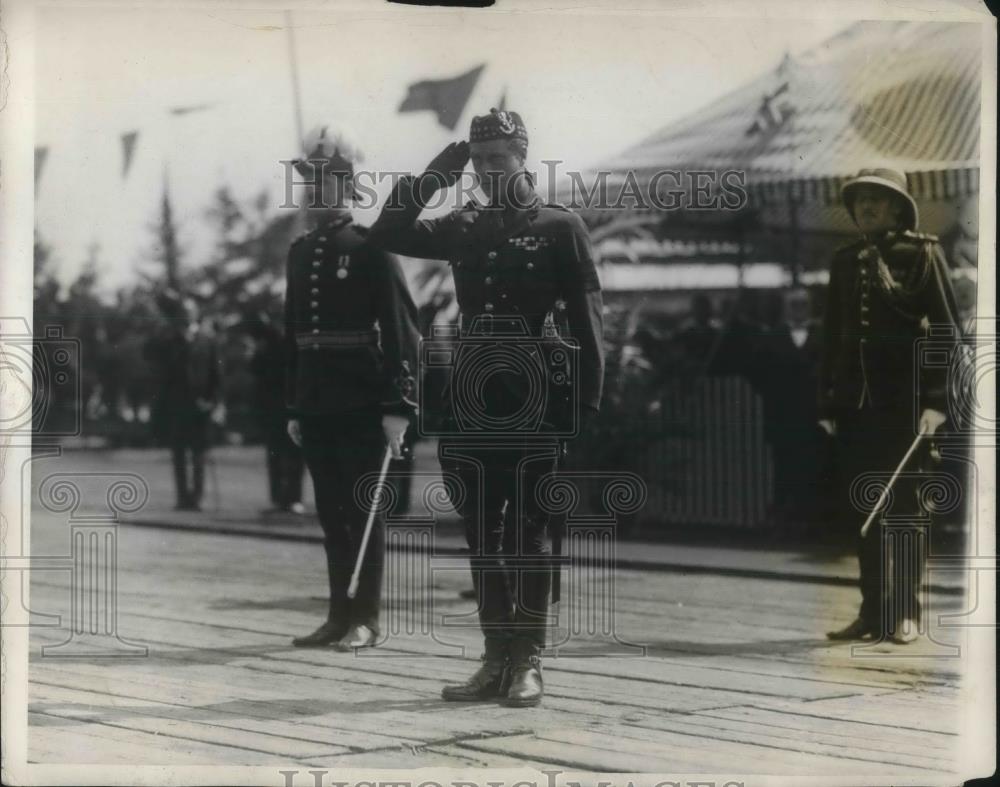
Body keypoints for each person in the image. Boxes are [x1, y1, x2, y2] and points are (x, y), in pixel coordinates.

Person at [369, 108, 605, 707]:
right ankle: (492, 658)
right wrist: (434, 176)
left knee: (528, 531)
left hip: (534, 396)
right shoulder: (464, 224)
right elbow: (387, 233)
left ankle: (528, 660)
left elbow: (587, 320)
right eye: (478, 159)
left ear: (524, 156)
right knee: (481, 531)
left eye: (499, 157)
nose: (488, 169)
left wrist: (585, 402)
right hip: (472, 396)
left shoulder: (559, 226)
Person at [284, 124, 420, 650]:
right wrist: (294, 404)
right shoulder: (299, 252)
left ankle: (366, 617)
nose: (316, 190)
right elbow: (293, 333)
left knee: (365, 510)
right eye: (310, 180)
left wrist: (398, 406)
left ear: (350, 186)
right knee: (330, 511)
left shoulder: (372, 247)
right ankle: (338, 614)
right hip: (317, 401)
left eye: (328, 179)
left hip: (363, 401)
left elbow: (402, 328)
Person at [819, 168, 963, 644]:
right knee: (867, 513)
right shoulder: (845, 261)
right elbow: (832, 336)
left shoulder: (923, 254)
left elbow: (946, 332)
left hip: (909, 410)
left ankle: (905, 614)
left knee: (906, 513)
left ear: (899, 208)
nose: (867, 208)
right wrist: (830, 400)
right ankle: (873, 613)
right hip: (857, 409)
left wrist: (938, 402)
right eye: (860, 201)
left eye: (878, 200)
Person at [146, 292, 222, 512]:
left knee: (199, 454)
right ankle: (182, 498)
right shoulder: (169, 341)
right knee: (178, 453)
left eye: (189, 313)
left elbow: (217, 375)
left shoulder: (208, 340)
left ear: (196, 315)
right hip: (178, 406)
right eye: (182, 313)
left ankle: (196, 498)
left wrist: (213, 402)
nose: (186, 317)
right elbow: (160, 371)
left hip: (201, 406)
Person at [245, 315, 306, 515]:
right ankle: (286, 499)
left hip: (283, 409)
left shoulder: (278, 346)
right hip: (280, 409)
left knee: (286, 455)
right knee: (285, 455)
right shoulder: (274, 345)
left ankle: (287, 498)